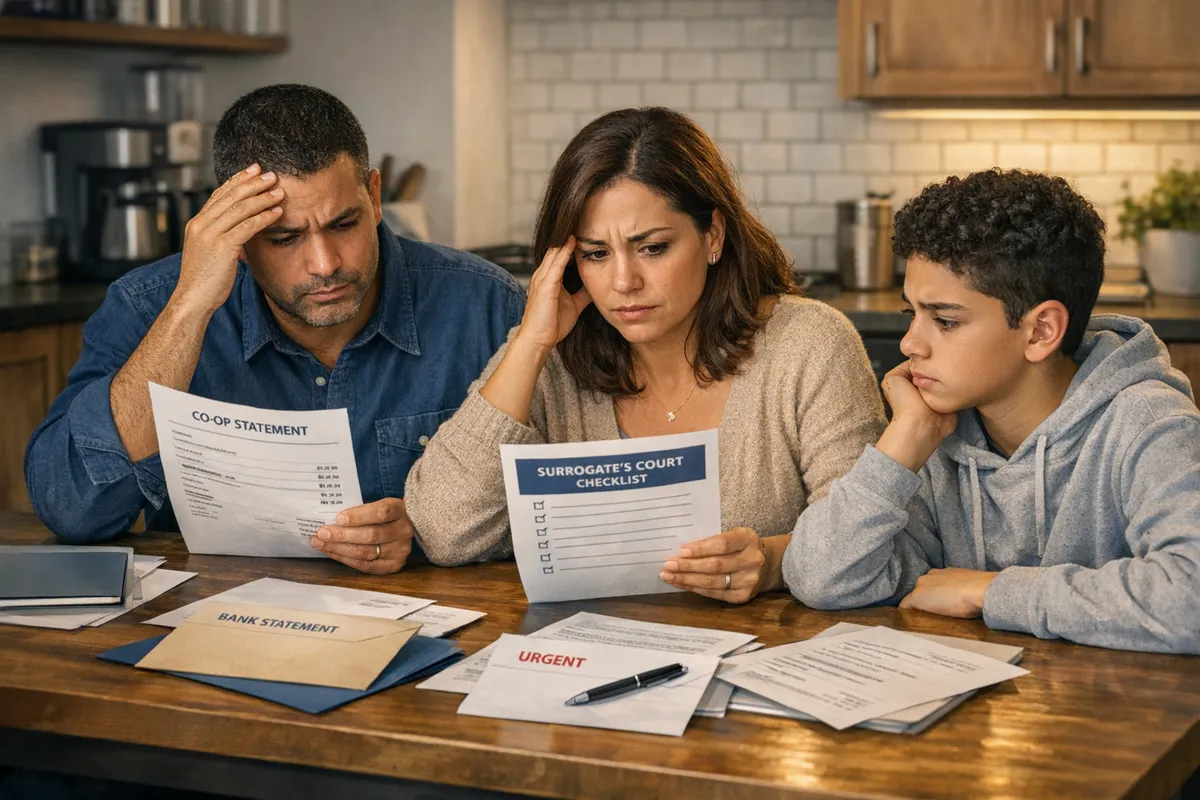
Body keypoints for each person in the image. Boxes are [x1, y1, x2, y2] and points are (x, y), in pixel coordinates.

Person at [23, 84, 523, 575]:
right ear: (233, 229)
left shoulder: (485, 306)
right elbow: (73, 510)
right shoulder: (149, 307)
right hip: (214, 621)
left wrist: (424, 532)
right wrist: (191, 308)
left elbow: (550, 517)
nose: (324, 264)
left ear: (373, 196)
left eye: (344, 224)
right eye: (284, 238)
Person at [405, 107, 886, 603]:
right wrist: (530, 344)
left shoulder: (809, 345)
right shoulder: (552, 359)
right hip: (587, 654)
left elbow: (866, 547)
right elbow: (444, 531)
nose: (623, 282)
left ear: (713, 235)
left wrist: (773, 562)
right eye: (595, 254)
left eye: (652, 248)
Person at [785, 168, 1200, 653]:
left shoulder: (1150, 424)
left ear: (1042, 330)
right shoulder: (934, 433)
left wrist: (990, 591)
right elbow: (819, 578)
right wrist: (900, 445)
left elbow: (1189, 599)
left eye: (944, 320)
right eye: (910, 313)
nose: (909, 343)